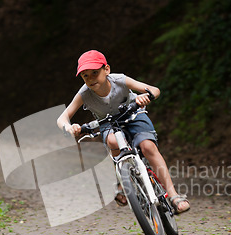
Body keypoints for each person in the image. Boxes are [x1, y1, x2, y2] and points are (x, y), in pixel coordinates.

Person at [57, 50, 190, 214]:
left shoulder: (120, 80)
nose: (90, 78)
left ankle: (174, 196)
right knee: (113, 142)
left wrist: (144, 96)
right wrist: (69, 127)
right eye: (85, 76)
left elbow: (154, 90)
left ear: (106, 69)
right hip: (108, 123)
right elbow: (62, 118)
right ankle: (123, 179)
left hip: (133, 114)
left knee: (148, 147)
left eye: (94, 73)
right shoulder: (84, 93)